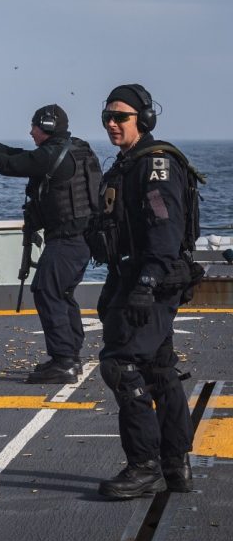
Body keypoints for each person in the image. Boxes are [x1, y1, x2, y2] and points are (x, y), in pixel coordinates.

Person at [89, 84, 202, 499]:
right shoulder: (128, 163)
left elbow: (164, 230)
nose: (113, 124)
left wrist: (146, 286)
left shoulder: (154, 164)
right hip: (135, 277)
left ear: (144, 119)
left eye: (121, 117)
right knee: (158, 367)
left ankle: (145, 466)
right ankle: (176, 464)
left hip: (151, 280)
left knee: (121, 366)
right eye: (108, 117)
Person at [0, 106, 102, 383]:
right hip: (80, 238)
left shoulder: (53, 155)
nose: (30, 131)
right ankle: (69, 356)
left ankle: (64, 362)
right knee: (60, 293)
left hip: (67, 239)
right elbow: (19, 156)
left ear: (46, 126)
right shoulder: (70, 149)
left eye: (34, 126)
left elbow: (9, 165)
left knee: (47, 291)